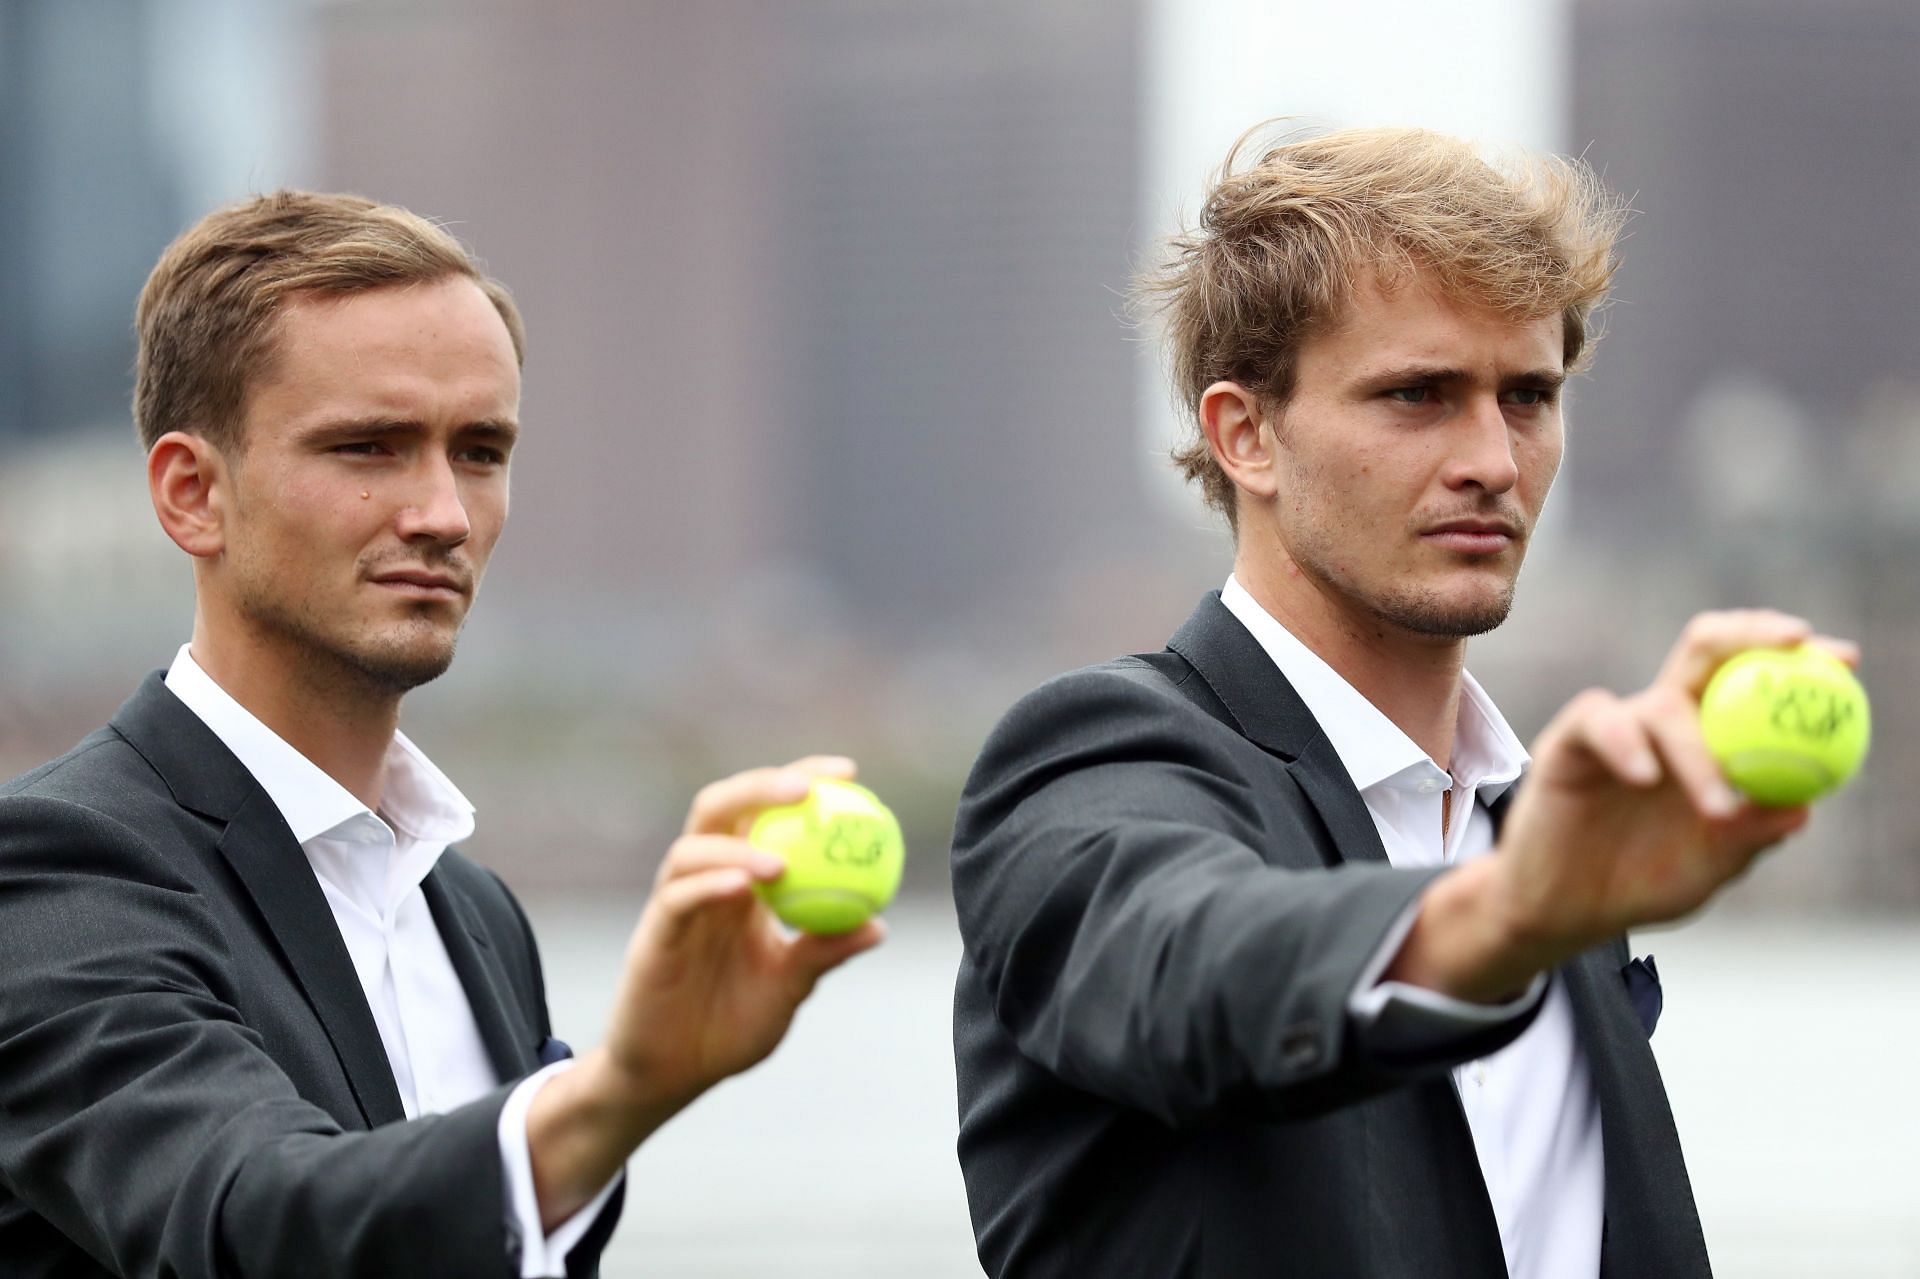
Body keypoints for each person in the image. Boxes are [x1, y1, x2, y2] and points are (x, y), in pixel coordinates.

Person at [949, 125, 1856, 1279]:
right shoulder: (1097, 761)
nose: (1491, 456)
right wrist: (1513, 915)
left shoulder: (1541, 846)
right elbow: (1194, 969)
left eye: (1527, 396)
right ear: (1246, 434)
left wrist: (1537, 897)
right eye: (1419, 395)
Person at [0, 191, 883, 1278]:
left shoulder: (477, 913)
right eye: (369, 447)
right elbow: (250, 1220)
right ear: (193, 495)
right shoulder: (51, 873)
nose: (444, 514)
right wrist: (617, 1092)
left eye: (478, 450)